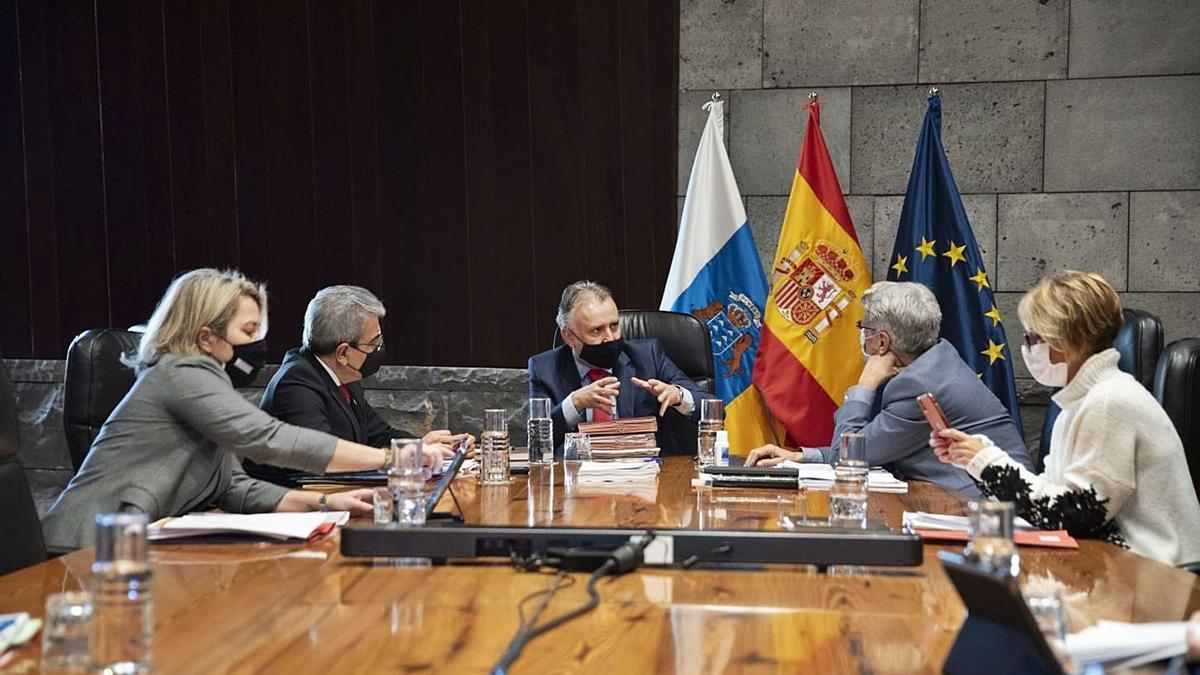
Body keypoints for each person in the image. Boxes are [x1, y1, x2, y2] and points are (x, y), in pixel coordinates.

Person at [41, 269, 438, 551]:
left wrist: (326, 505)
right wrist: (396, 457)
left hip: (137, 546)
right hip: (83, 550)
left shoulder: (210, 383)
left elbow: (234, 487)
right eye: (248, 332)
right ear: (205, 337)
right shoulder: (180, 372)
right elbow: (267, 439)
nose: (257, 344)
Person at [932, 270, 1200, 565]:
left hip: (1155, 576)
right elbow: (1049, 492)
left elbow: (1073, 514)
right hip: (1113, 565)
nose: (1028, 347)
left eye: (1036, 337)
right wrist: (976, 457)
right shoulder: (1079, 401)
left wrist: (986, 462)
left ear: (1077, 338)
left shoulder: (1110, 399)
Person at [745, 281, 1032, 497]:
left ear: (882, 343)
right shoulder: (938, 359)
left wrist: (865, 385)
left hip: (991, 506)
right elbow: (876, 443)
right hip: (970, 496)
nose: (860, 335)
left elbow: (847, 457)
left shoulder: (919, 384)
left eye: (863, 327)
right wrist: (802, 456)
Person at [244, 285, 473, 486]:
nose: (380, 350)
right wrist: (405, 456)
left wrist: (426, 448)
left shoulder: (344, 376)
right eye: (375, 343)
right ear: (343, 353)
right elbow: (324, 464)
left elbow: (380, 437)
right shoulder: (295, 386)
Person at [527, 280, 713, 456]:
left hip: (643, 476)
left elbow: (712, 409)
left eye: (614, 326)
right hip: (578, 479)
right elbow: (536, 443)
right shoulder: (545, 369)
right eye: (596, 330)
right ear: (569, 337)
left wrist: (678, 395)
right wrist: (574, 403)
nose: (610, 337)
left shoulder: (648, 357)